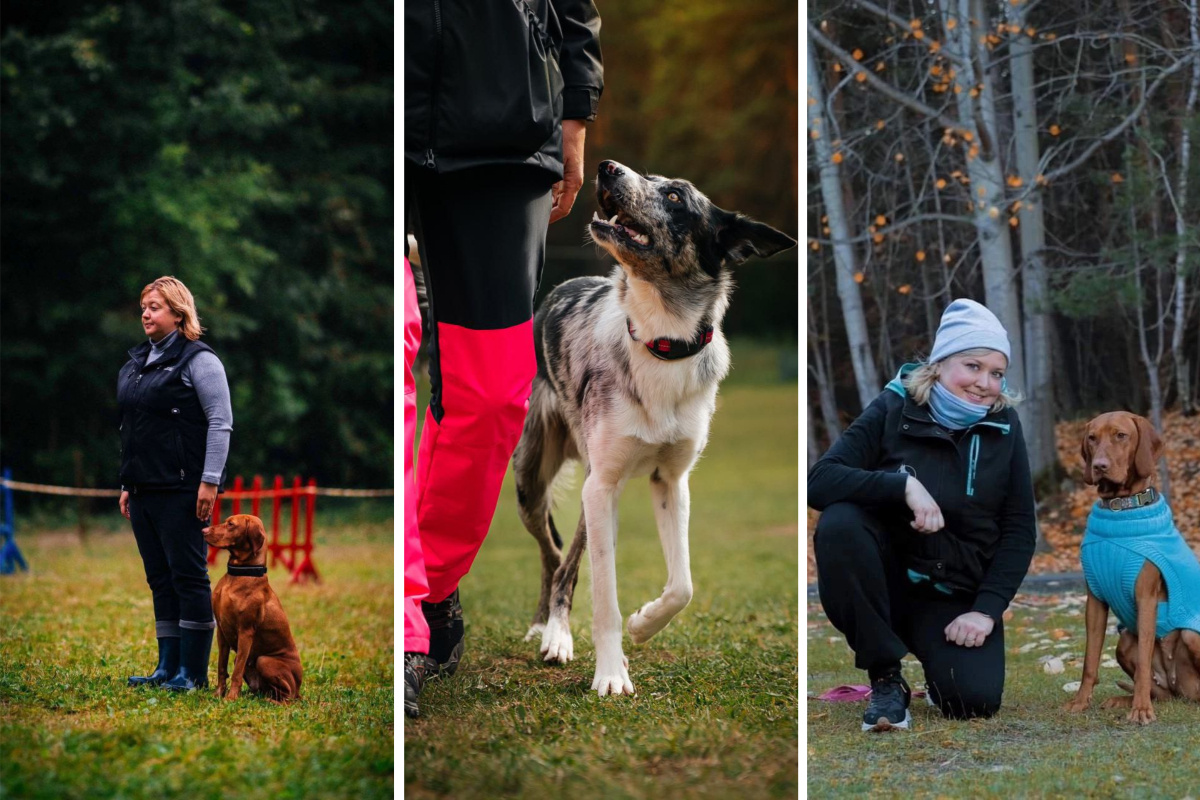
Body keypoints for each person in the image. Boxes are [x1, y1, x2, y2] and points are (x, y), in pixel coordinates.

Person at [402, 0, 603, 718]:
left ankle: (432, 583)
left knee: (490, 395)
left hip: (504, 123)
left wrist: (574, 112)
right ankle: (409, 618)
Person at [808, 298, 1036, 731]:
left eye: (996, 372)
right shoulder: (893, 407)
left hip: (954, 596)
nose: (985, 382)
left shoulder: (1004, 425)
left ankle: (939, 671)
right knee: (840, 522)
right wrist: (902, 485)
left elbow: (1020, 530)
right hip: (888, 586)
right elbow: (820, 481)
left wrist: (985, 611)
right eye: (973, 365)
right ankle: (885, 676)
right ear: (941, 362)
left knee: (974, 702)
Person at [119, 276, 231, 691]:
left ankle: (193, 673)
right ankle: (167, 667)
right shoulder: (137, 363)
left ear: (179, 313)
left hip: (184, 488)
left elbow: (221, 423)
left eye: (155, 306)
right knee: (159, 578)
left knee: (188, 576)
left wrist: (210, 482)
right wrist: (129, 482)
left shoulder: (200, 361)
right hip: (144, 488)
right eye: (144, 307)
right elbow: (132, 427)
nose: (146, 313)